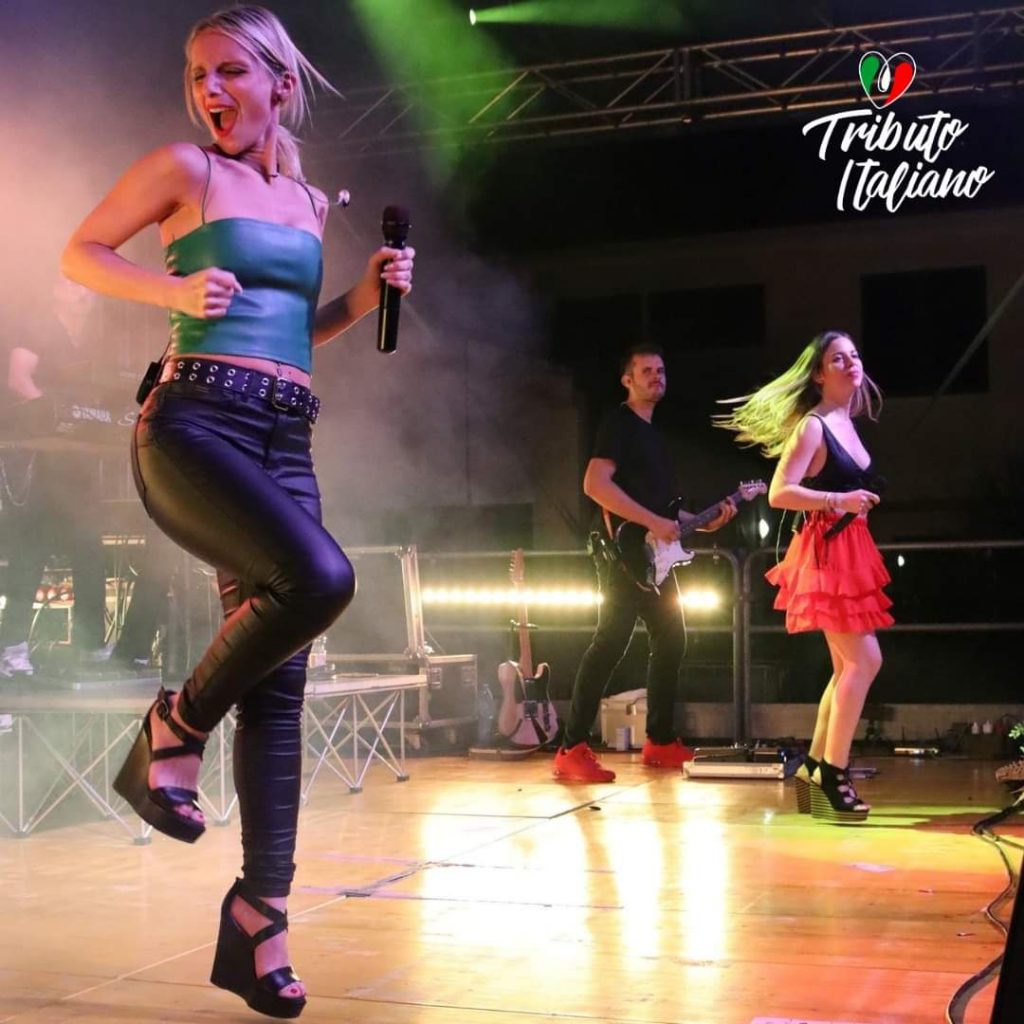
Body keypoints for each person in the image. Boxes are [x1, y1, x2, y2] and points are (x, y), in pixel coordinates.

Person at [61, 6, 415, 1017]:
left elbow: (292, 328)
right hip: (192, 425)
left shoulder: (304, 199)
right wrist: (167, 290)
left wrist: (361, 297)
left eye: (228, 72)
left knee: (280, 687)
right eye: (197, 74)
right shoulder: (185, 168)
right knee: (322, 578)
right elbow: (81, 252)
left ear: (279, 86)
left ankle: (262, 916)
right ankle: (174, 724)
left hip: (284, 435)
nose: (208, 91)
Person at [716, 330, 892, 824]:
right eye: (838, 358)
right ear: (818, 373)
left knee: (848, 666)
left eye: (854, 355)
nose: (851, 363)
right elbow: (779, 492)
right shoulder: (813, 427)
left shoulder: (845, 422)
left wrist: (853, 501)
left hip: (851, 548)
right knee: (865, 660)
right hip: (826, 552)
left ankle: (817, 766)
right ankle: (833, 772)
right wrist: (839, 499)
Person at [553, 343, 736, 783]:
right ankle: (570, 748)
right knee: (610, 643)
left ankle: (660, 740)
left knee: (672, 638)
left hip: (651, 557)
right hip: (623, 554)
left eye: (661, 370)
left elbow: (665, 513)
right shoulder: (619, 423)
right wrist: (654, 521)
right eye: (647, 370)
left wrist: (704, 522)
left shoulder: (654, 435)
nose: (657, 376)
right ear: (627, 380)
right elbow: (595, 484)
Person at [0, 276, 111, 676]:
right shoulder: (38, 326)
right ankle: (11, 649)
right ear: (56, 291)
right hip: (39, 456)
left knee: (89, 549)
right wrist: (55, 413)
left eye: (89, 287)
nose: (85, 294)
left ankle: (89, 646)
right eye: (75, 286)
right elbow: (18, 377)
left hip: (74, 461)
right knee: (31, 550)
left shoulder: (92, 338)